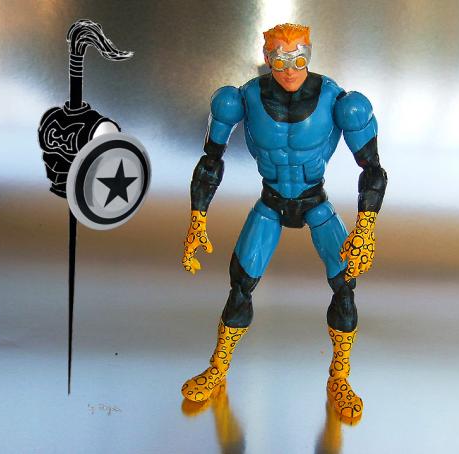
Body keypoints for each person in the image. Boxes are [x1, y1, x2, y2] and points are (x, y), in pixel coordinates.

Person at [180, 23, 387, 420]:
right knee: (241, 284)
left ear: (310, 53)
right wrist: (197, 217)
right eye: (279, 59)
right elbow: (210, 161)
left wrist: (366, 228)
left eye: (298, 58)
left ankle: (340, 377)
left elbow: (373, 169)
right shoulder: (240, 99)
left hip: (314, 201)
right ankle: (217, 368)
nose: (289, 68)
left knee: (345, 285)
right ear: (266, 57)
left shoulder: (341, 102)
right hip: (271, 201)